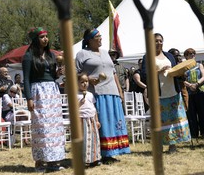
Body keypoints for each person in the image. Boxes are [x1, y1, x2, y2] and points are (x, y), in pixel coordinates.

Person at [75, 28, 130, 164]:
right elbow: (74, 73)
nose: (101, 38)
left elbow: (113, 73)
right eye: (98, 37)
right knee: (102, 124)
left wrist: (120, 90)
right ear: (90, 40)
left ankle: (111, 152)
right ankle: (98, 153)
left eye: (101, 36)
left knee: (113, 123)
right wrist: (88, 78)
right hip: (96, 93)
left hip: (112, 92)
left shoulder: (106, 53)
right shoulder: (82, 54)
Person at [22, 27, 65, 172]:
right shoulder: (28, 56)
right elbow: (26, 79)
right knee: (41, 128)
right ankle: (40, 162)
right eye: (42, 37)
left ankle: (53, 161)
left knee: (54, 128)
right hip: (38, 92)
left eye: (46, 36)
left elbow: (52, 76)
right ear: (35, 39)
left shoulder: (51, 55)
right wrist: (29, 98)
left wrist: (57, 74)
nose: (45, 39)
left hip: (52, 92)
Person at [141, 33, 191, 153]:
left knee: (175, 119)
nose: (158, 43)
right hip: (158, 93)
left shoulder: (169, 55)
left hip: (173, 91)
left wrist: (180, 73)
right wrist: (158, 71)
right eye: (156, 41)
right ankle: (160, 145)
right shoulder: (147, 57)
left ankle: (173, 145)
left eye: (160, 41)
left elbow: (174, 70)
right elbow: (144, 74)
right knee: (161, 121)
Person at [183, 48, 204, 139]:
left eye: (193, 53)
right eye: (190, 54)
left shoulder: (199, 65)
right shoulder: (183, 67)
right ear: (186, 56)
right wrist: (190, 85)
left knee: (203, 112)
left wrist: (196, 84)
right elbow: (181, 80)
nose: (192, 55)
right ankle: (194, 133)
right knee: (191, 114)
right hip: (189, 93)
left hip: (200, 91)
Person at [77, 72, 101, 167]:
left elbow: (93, 108)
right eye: (82, 82)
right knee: (85, 140)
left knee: (94, 139)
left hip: (92, 119)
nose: (85, 84)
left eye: (86, 81)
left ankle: (95, 158)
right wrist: (80, 103)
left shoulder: (90, 94)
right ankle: (85, 160)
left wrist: (97, 120)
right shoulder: (76, 95)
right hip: (82, 119)